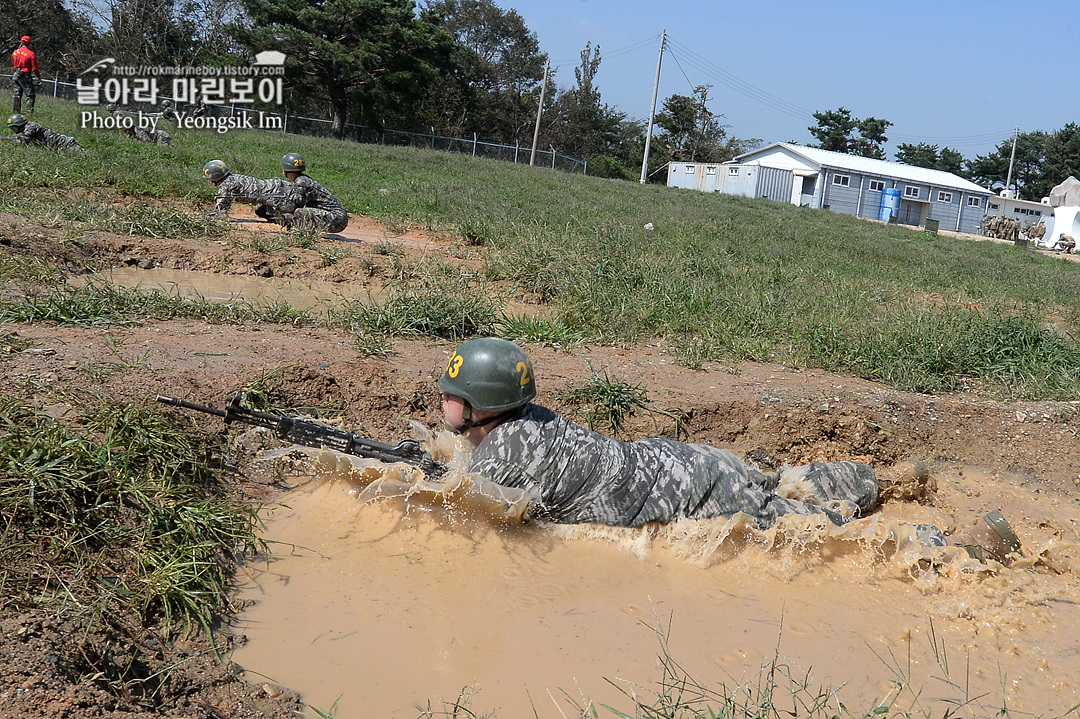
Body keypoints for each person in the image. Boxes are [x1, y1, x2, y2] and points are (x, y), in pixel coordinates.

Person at [436, 337, 1022, 563]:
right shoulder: (529, 418)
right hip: (684, 460)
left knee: (819, 534)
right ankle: (883, 480)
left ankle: (958, 551)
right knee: (784, 479)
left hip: (695, 498)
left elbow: (470, 518)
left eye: (453, 396)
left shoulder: (504, 457)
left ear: (480, 407)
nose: (445, 404)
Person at [203, 159, 297, 222]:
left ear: (215, 176)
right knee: (260, 211)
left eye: (209, 178)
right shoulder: (232, 178)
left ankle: (295, 217)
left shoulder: (226, 185)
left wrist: (207, 218)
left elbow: (221, 213)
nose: (209, 181)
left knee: (295, 210)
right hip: (276, 188)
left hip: (278, 192)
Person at [278, 152, 349, 233]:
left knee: (299, 213)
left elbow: (293, 206)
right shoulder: (302, 180)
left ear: (286, 169)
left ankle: (302, 232)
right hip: (337, 217)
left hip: (337, 219)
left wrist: (275, 205)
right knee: (297, 213)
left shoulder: (301, 182)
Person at [5, 113, 83, 151]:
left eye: (13, 127)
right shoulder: (27, 128)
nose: (12, 129)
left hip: (67, 144)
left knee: (84, 157)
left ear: (18, 124)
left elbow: (24, 140)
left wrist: (5, 139)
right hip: (59, 148)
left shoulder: (31, 126)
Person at [11, 35, 40, 115]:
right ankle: (29, 113)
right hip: (25, 75)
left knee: (17, 94)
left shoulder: (15, 52)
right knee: (30, 95)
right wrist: (38, 77)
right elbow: (35, 68)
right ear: (29, 43)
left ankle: (16, 112)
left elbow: (14, 62)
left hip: (16, 74)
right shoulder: (31, 54)